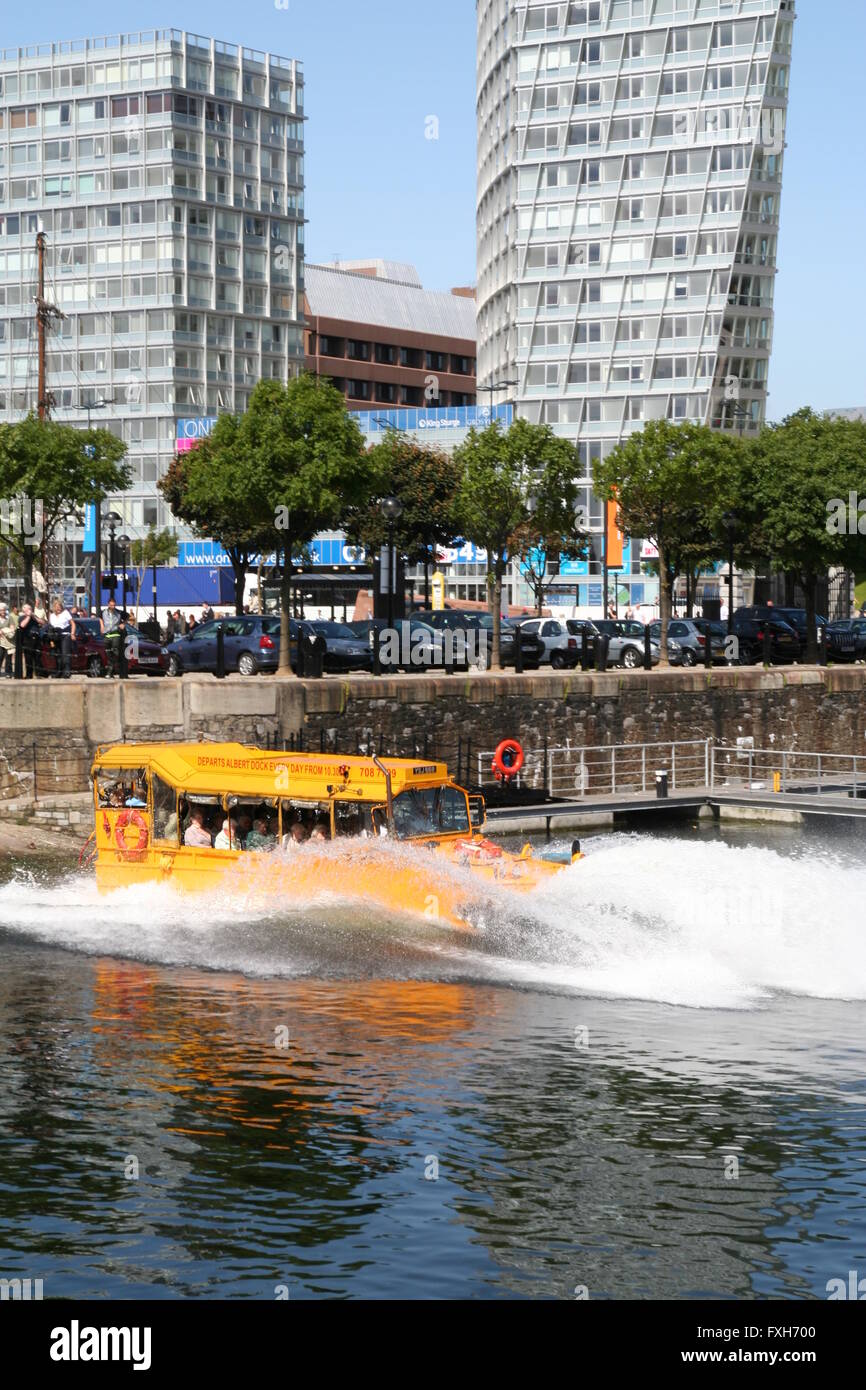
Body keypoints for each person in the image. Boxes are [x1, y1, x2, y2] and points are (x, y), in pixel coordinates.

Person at [49, 598, 73, 679]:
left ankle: (67, 672)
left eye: (59, 606)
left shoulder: (65, 613)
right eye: (56, 606)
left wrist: (72, 633)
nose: (58, 608)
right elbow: (51, 627)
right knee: (57, 655)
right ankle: (59, 672)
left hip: (65, 635)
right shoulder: (52, 616)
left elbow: (73, 624)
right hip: (56, 636)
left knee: (65, 654)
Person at [101, 596, 124, 677]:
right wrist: (102, 626)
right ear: (108, 605)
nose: (113, 607)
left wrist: (122, 624)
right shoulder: (103, 612)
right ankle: (112, 668)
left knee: (115, 650)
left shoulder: (118, 612)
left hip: (115, 633)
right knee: (107, 652)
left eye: (114, 605)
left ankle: (110, 669)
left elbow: (128, 617)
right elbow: (99, 618)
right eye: (111, 605)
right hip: (107, 634)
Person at [16, 603, 41, 679]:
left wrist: (33, 616)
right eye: (28, 609)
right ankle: (29, 675)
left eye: (31, 609)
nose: (30, 610)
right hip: (27, 639)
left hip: (36, 638)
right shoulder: (22, 617)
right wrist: (28, 616)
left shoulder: (34, 617)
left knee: (37, 657)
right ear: (24, 610)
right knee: (28, 658)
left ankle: (38, 674)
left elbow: (42, 622)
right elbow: (22, 625)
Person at [0, 603, 15, 677]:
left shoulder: (9, 618)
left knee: (8, 657)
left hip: (8, 641)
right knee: (0, 656)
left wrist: (6, 631)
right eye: (1, 610)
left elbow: (12, 628)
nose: (2, 611)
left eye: (4, 610)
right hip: (0, 641)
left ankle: (8, 672)